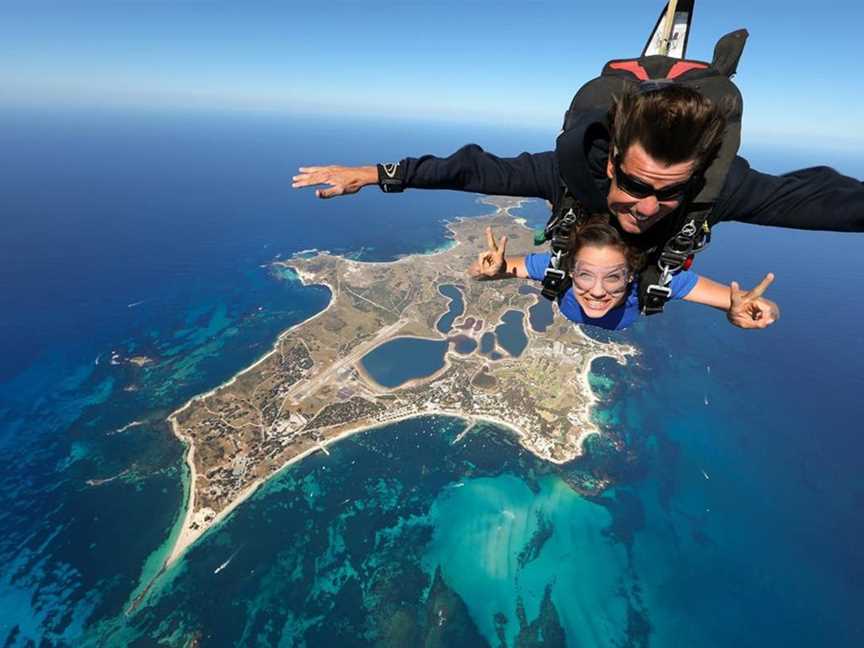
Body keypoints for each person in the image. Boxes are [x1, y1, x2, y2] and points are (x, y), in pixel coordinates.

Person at [292, 85, 862, 314]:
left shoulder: (719, 193)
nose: (645, 207)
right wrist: (373, 173)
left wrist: (504, 271)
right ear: (611, 164)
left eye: (669, 193)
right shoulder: (566, 176)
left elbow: (824, 202)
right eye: (635, 185)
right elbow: (472, 169)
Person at [468, 222, 778, 331]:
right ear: (571, 271)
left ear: (631, 276)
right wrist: (486, 271)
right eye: (585, 275)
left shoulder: (655, 282)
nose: (597, 291)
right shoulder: (556, 266)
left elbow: (760, 307)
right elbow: (484, 274)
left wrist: (759, 312)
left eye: (614, 278)